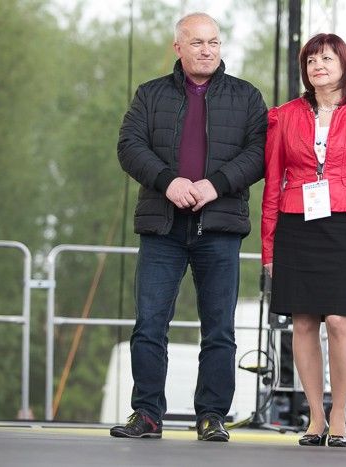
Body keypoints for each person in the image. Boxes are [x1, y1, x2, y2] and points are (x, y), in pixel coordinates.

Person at [110, 12, 267, 441]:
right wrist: (168, 181)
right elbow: (129, 146)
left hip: (219, 227)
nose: (206, 50)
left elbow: (259, 153)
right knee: (149, 324)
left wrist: (215, 184)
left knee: (219, 329)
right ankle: (147, 414)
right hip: (162, 227)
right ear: (178, 47)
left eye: (213, 42)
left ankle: (212, 415)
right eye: (197, 42)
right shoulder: (150, 94)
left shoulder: (247, 96)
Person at [261, 33, 346, 448]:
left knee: (338, 320)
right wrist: (268, 248)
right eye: (312, 60)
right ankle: (315, 416)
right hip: (297, 223)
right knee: (302, 322)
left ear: (344, 65)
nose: (318, 66)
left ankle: (339, 413)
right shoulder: (283, 116)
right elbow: (272, 185)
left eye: (327, 59)